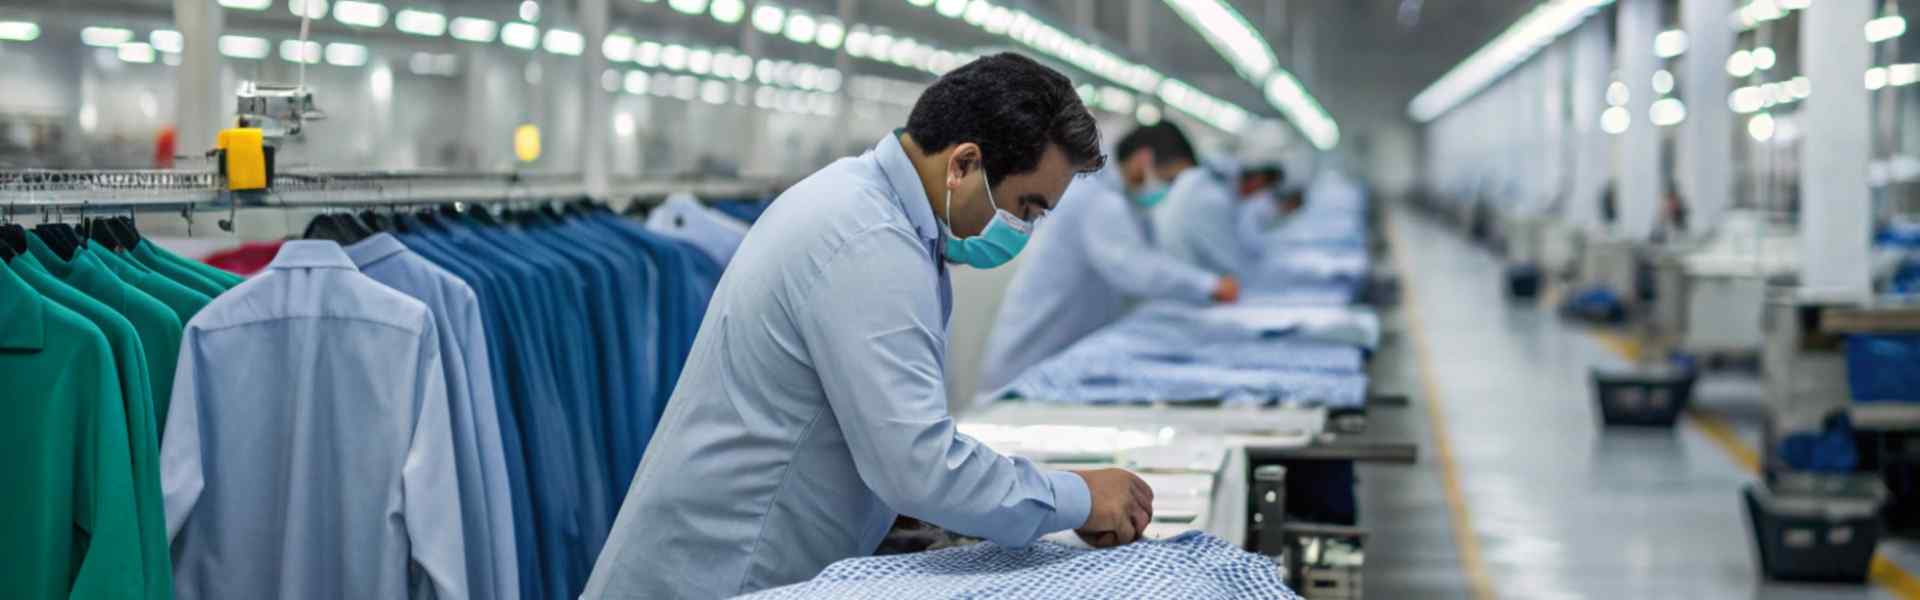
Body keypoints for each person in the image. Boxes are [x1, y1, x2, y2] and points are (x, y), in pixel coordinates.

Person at [583, 53, 1156, 599]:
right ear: (963, 164)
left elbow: (879, 443)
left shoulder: (872, 211)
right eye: (1025, 208)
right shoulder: (868, 240)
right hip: (728, 575)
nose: (1022, 229)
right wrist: (1079, 496)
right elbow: (919, 466)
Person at [976, 122, 1238, 397]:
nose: (1169, 188)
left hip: (1061, 355)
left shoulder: (1119, 203)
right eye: (1169, 179)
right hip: (1031, 359)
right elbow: (1136, 269)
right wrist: (1210, 285)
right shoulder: (1096, 200)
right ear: (1143, 160)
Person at [1150, 157, 1286, 277]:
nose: (1256, 196)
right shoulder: (1213, 198)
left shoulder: (1206, 185)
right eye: (1261, 189)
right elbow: (1230, 264)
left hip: (1187, 276)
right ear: (1257, 180)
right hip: (1185, 284)